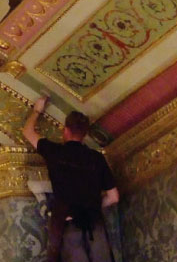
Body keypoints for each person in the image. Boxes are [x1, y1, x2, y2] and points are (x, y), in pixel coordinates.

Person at [23, 96, 119, 262]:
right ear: (84, 134)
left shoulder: (55, 152)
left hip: (69, 225)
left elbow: (27, 132)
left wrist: (37, 109)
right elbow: (114, 197)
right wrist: (93, 208)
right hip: (95, 228)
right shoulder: (96, 158)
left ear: (65, 130)